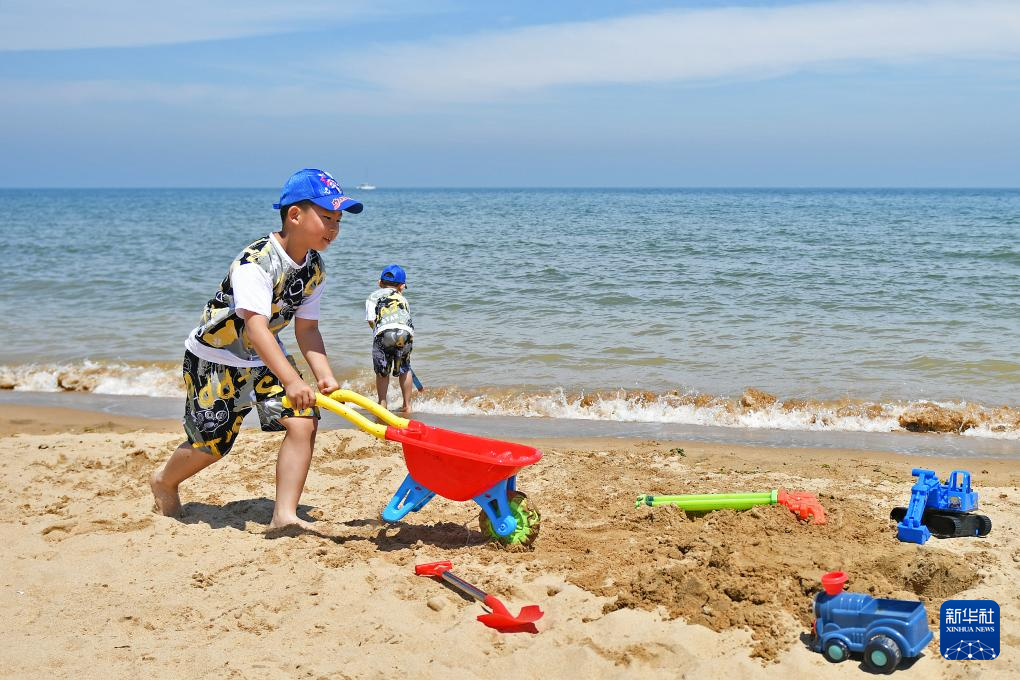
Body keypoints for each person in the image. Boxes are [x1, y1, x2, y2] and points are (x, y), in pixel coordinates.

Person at [150, 168, 363, 530]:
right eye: (327, 217)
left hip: (262, 358)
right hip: (215, 361)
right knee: (211, 446)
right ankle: (164, 481)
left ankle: (284, 515)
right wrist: (294, 379)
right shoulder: (255, 263)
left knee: (303, 421)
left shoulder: (314, 269)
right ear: (294, 215)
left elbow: (307, 329)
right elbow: (256, 325)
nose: (334, 227)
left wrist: (325, 377)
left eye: (338, 220)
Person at [365, 264, 414, 413]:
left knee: (382, 371)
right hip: (405, 333)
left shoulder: (373, 296)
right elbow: (407, 319)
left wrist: (377, 331)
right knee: (405, 368)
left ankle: (382, 403)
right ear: (402, 286)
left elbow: (371, 319)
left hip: (384, 333)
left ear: (380, 283)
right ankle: (407, 405)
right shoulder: (403, 299)